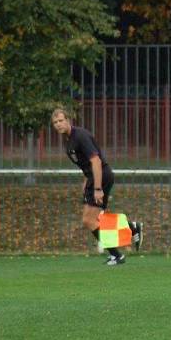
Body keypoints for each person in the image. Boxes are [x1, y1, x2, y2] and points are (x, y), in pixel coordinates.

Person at [51, 108, 143, 265]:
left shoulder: (80, 136)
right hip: (93, 178)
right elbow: (85, 164)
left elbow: (96, 161)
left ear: (68, 120)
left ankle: (117, 255)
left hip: (101, 177)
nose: (58, 124)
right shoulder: (69, 140)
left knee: (88, 220)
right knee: (99, 218)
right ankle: (132, 229)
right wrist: (86, 182)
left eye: (61, 120)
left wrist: (98, 188)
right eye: (55, 122)